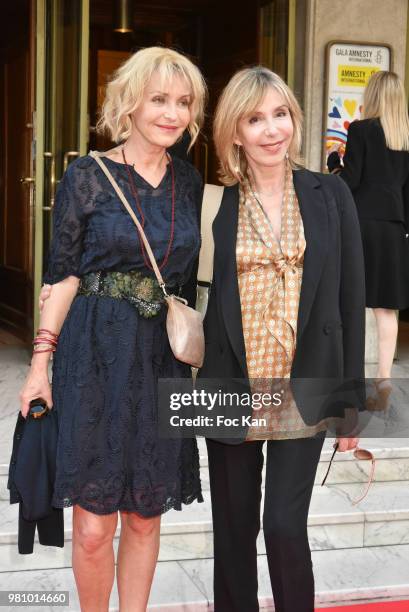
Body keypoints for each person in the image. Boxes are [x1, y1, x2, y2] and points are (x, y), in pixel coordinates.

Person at [19, 47, 206, 612]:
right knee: (94, 527)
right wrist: (39, 367)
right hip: (94, 357)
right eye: (159, 100)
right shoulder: (87, 176)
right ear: (129, 103)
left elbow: (186, 278)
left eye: (183, 103)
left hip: (159, 361)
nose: (172, 113)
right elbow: (63, 276)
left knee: (145, 520)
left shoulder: (190, 181)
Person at [199, 66, 365, 612]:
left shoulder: (330, 194)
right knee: (234, 534)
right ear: (235, 132)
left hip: (306, 382)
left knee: (284, 527)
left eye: (281, 114)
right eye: (255, 118)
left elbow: (349, 298)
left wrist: (350, 404)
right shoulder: (215, 205)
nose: (272, 130)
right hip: (231, 385)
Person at [328, 71, 409, 397]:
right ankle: (384, 378)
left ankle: (347, 377)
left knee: (349, 301)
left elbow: (352, 181)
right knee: (386, 309)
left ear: (372, 95)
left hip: (361, 224)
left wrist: (334, 164)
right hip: (393, 229)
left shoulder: (361, 130)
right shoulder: (405, 138)